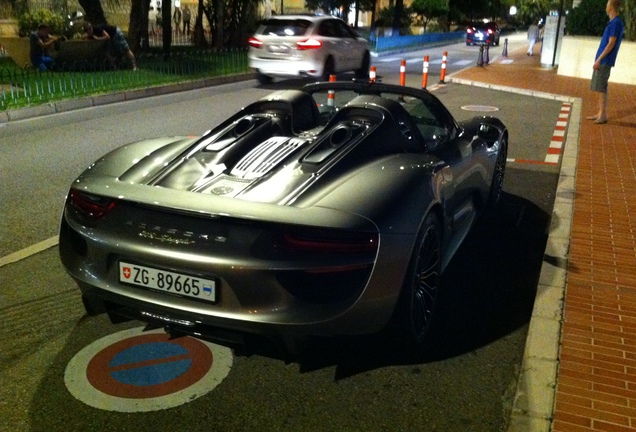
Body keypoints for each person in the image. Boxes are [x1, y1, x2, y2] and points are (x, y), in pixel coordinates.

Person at [587, 0, 624, 124]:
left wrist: (599, 59)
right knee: (600, 87)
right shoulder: (613, 22)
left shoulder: (616, 23)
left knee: (601, 87)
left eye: (607, 4)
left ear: (611, 8)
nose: (606, 7)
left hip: (605, 60)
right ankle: (600, 113)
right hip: (603, 60)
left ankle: (602, 115)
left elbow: (611, 43)